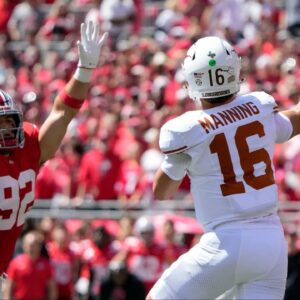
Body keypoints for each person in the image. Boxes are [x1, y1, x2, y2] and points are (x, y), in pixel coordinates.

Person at [147, 36, 299, 299]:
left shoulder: (187, 129)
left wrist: (179, 160)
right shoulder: (258, 107)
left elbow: (162, 192)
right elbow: (294, 121)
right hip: (271, 242)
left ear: (192, 78)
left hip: (225, 242)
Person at [0, 19, 108, 294]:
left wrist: (84, 71)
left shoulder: (29, 148)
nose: (6, 131)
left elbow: (63, 112)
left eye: (8, 122)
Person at [2, 230, 57, 300]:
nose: (32, 248)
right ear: (24, 246)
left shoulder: (46, 265)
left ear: (39, 246)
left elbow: (51, 288)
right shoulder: (15, 263)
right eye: (29, 245)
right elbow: (9, 287)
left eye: (34, 245)